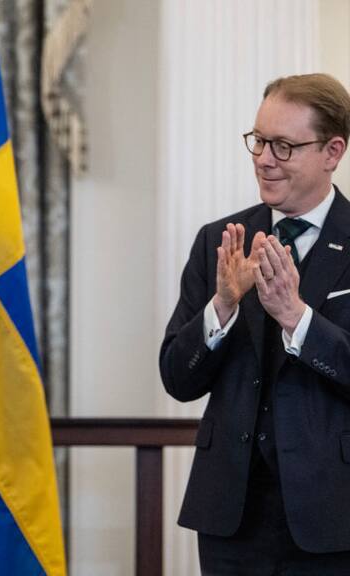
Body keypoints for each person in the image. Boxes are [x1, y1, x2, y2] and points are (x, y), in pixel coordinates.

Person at [161, 73, 350, 574]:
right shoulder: (219, 241)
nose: (264, 158)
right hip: (230, 514)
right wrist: (221, 307)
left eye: (284, 146)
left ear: (332, 151)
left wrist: (298, 318)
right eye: (260, 141)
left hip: (334, 515)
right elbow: (178, 379)